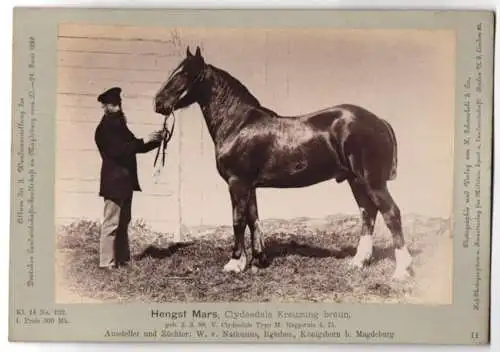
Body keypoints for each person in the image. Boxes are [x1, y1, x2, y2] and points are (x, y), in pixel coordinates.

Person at [94, 87, 165, 269]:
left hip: (124, 183)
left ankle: (123, 261)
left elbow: (135, 146)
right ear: (105, 107)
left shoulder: (119, 125)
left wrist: (157, 140)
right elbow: (120, 150)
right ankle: (106, 264)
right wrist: (143, 141)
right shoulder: (105, 129)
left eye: (119, 104)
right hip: (114, 183)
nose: (118, 108)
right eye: (113, 105)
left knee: (123, 223)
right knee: (111, 224)